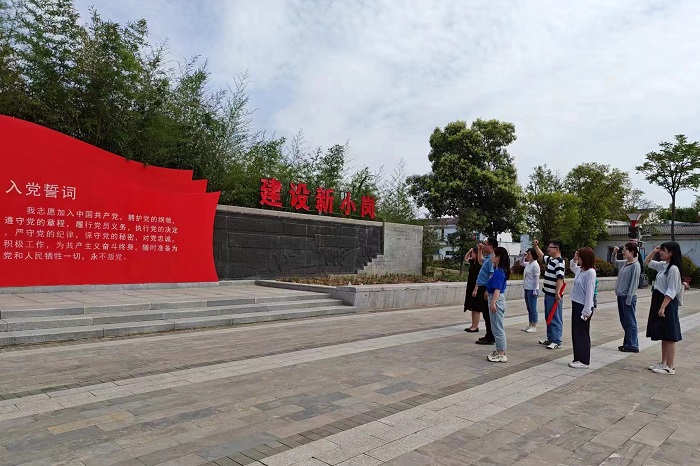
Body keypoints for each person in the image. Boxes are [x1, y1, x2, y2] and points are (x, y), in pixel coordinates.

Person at [644, 242, 683, 375]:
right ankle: (663, 363)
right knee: (664, 334)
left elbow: (671, 290)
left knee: (670, 334)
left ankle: (670, 366)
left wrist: (662, 307)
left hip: (667, 303)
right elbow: (647, 262)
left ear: (671, 253)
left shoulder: (673, 269)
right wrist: (654, 251)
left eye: (663, 250)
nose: (661, 252)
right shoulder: (664, 265)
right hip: (660, 301)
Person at [533, 239, 565, 349]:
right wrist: (536, 246)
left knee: (555, 317)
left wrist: (557, 293)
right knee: (549, 317)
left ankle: (556, 341)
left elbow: (560, 278)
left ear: (556, 249)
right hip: (548, 293)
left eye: (550, 247)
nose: (548, 249)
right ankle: (550, 338)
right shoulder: (551, 259)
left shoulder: (559, 262)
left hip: (554, 295)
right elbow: (541, 256)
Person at [568, 248, 597, 368]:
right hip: (576, 303)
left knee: (582, 333)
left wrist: (587, 310)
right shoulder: (580, 270)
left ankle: (584, 360)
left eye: (580, 257)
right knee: (576, 332)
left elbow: (590, 292)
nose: (578, 259)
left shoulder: (590, 272)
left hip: (584, 306)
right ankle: (577, 358)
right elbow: (572, 266)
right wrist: (574, 258)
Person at [612, 243, 642, 353]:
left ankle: (633, 345)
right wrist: (614, 253)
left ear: (632, 252)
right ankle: (628, 343)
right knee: (625, 321)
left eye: (625, 250)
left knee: (630, 321)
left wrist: (629, 298)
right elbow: (614, 263)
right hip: (621, 296)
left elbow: (634, 284)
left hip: (627, 297)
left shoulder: (635, 265)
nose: (623, 252)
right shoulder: (625, 263)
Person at [486, 246, 510, 362]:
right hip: (496, 299)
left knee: (498, 328)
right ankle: (499, 350)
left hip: (497, 299)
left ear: (498, 257)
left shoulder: (499, 272)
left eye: (493, 254)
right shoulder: (498, 270)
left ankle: (501, 353)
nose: (491, 256)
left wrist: (493, 302)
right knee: (496, 327)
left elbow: (497, 289)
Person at [474, 237, 498, 345]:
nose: (484, 246)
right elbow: (480, 261)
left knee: (488, 315)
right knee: (485, 314)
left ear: (491, 246)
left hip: (486, 288)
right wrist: (479, 250)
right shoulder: (489, 257)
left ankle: (490, 337)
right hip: (483, 287)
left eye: (485, 244)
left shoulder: (493, 258)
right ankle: (489, 335)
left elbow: (491, 275)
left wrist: (488, 290)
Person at [520, 248, 540, 333]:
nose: (527, 256)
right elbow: (521, 263)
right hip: (527, 288)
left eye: (529, 254)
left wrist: (535, 290)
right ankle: (530, 324)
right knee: (529, 308)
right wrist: (523, 257)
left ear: (533, 255)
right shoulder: (529, 264)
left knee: (533, 308)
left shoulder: (535, 265)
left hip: (532, 289)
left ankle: (534, 325)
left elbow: (536, 279)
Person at [463, 246, 482, 332]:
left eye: (473, 253)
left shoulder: (479, 264)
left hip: (476, 286)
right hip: (471, 286)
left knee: (476, 307)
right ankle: (473, 325)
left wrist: (476, 289)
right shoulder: (473, 262)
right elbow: (466, 259)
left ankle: (476, 326)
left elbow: (479, 277)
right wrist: (469, 251)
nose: (471, 254)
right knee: (472, 307)